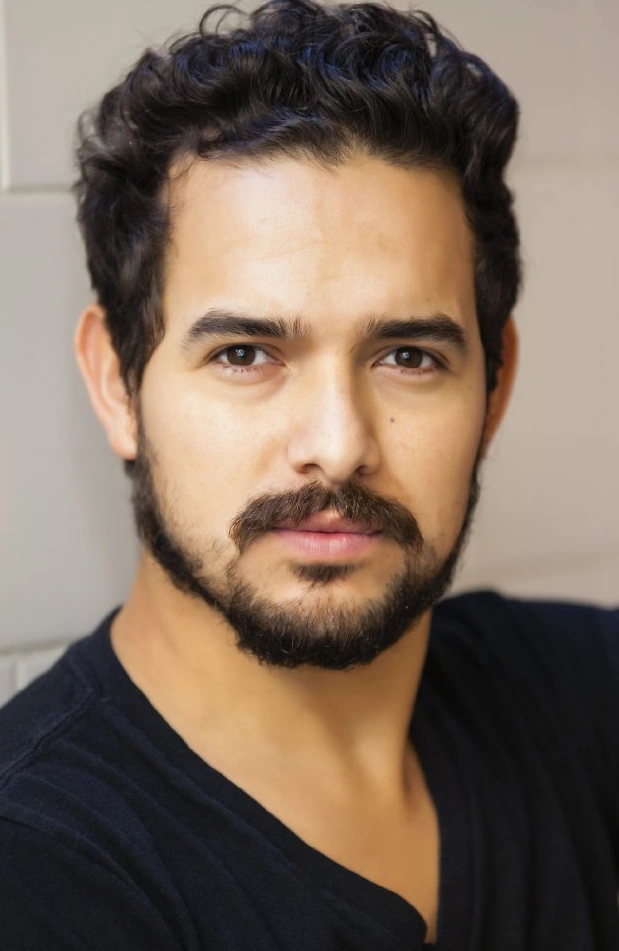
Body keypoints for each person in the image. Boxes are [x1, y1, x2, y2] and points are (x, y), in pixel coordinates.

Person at [0, 0, 617, 947]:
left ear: (492, 391)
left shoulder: (581, 697)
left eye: (407, 356)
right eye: (245, 353)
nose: (336, 443)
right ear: (117, 383)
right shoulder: (37, 874)